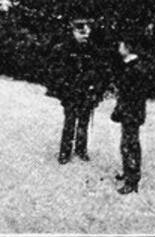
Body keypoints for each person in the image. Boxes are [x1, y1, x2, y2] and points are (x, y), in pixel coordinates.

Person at [45, 17, 110, 164]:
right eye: (81, 32)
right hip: (70, 92)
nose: (85, 35)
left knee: (84, 122)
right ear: (73, 32)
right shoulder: (63, 49)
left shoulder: (93, 50)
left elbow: (102, 71)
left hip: (87, 92)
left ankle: (81, 149)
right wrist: (62, 89)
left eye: (87, 32)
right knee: (69, 122)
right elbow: (55, 71)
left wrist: (96, 90)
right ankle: (65, 152)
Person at [111, 34, 148, 194]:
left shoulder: (134, 70)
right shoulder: (133, 67)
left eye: (120, 46)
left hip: (131, 113)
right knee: (127, 144)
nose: (118, 49)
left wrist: (120, 110)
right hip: (132, 112)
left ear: (127, 48)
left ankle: (132, 180)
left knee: (129, 146)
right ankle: (128, 173)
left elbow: (129, 95)